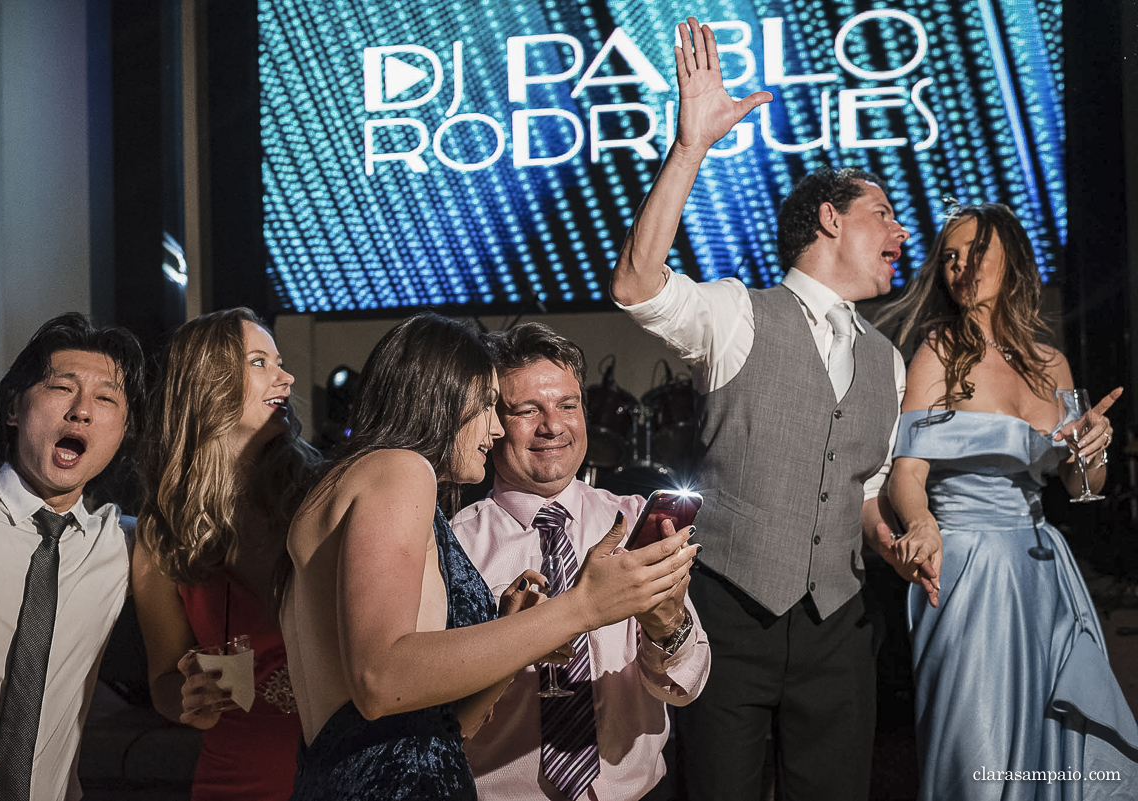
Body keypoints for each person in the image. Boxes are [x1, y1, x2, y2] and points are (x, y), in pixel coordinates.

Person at [609, 18, 937, 800]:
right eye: (882, 213)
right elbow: (635, 283)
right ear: (830, 218)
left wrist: (893, 542)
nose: (900, 230)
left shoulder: (886, 360)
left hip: (842, 628)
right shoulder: (737, 313)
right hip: (729, 615)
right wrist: (690, 146)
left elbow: (859, 492)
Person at [279, 312, 698, 800]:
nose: (495, 428)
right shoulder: (401, 469)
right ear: (444, 400)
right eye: (488, 405)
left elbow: (438, 723)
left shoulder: (339, 484)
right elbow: (380, 678)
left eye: (568, 404)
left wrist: (517, 636)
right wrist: (582, 607)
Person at [881, 202, 1138, 797]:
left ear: (1013, 261)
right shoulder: (938, 352)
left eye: (975, 252)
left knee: (1054, 744)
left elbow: (1083, 489)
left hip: (1043, 570)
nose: (960, 266)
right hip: (967, 567)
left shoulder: (1053, 364)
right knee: (977, 747)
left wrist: (1092, 448)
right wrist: (919, 523)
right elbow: (906, 472)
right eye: (949, 257)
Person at [452, 322, 711, 800]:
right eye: (528, 410)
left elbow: (685, 683)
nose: (553, 426)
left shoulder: (634, 519)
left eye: (567, 406)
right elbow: (442, 710)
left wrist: (668, 626)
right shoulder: (457, 545)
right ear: (492, 421)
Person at [0, 312, 144, 801]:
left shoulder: (124, 546)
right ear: (13, 408)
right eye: (61, 388)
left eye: (106, 398)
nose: (82, 411)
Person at [132, 308, 321, 800]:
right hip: (235, 777)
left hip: (336, 765)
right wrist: (189, 698)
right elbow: (163, 680)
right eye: (260, 362)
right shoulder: (162, 529)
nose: (287, 376)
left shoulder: (320, 496)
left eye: (278, 361)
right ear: (205, 385)